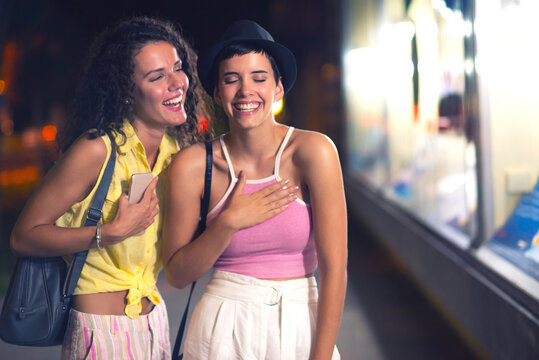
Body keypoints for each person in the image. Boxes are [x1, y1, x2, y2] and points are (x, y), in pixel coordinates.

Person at [10, 16, 202, 359]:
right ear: (127, 92)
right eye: (157, 76)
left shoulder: (178, 157)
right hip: (101, 333)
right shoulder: (96, 149)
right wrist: (106, 234)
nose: (177, 83)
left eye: (177, 67)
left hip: (155, 324)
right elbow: (23, 236)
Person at [163, 20, 347, 359]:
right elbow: (176, 274)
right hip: (222, 327)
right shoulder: (193, 165)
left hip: (299, 320)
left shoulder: (314, 152)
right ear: (218, 93)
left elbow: (335, 270)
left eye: (259, 78)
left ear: (278, 88)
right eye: (231, 79)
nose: (246, 90)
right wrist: (228, 222)